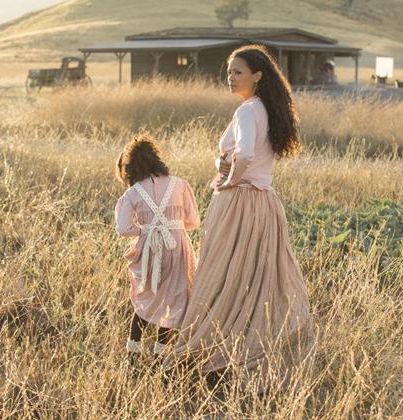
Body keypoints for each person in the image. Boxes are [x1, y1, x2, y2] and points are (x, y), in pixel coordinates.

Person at [165, 44, 315, 388]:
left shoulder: (248, 111)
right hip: (264, 203)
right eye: (229, 72)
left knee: (221, 272)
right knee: (256, 277)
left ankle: (211, 346)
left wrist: (229, 180)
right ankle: (247, 342)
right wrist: (228, 166)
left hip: (239, 201)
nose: (230, 78)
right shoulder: (267, 109)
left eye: (238, 72)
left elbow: (245, 154)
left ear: (257, 76)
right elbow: (250, 155)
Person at [114, 134, 200, 364]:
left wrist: (145, 230)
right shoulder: (179, 184)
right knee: (174, 300)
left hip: (150, 248)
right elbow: (193, 222)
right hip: (179, 247)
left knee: (146, 300)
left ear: (131, 166)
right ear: (156, 159)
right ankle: (160, 358)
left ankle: (132, 357)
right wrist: (174, 226)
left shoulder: (132, 193)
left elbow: (123, 229)